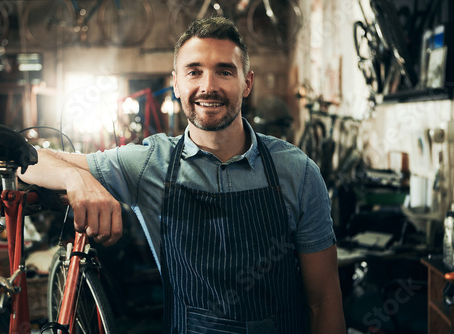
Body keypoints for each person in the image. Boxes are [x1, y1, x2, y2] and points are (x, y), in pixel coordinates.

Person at [19, 17, 345, 334]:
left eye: (224, 71)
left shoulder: (296, 171)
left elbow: (325, 300)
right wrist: (77, 179)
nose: (208, 86)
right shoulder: (151, 163)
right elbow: (28, 160)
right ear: (176, 83)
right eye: (194, 71)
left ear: (247, 83)